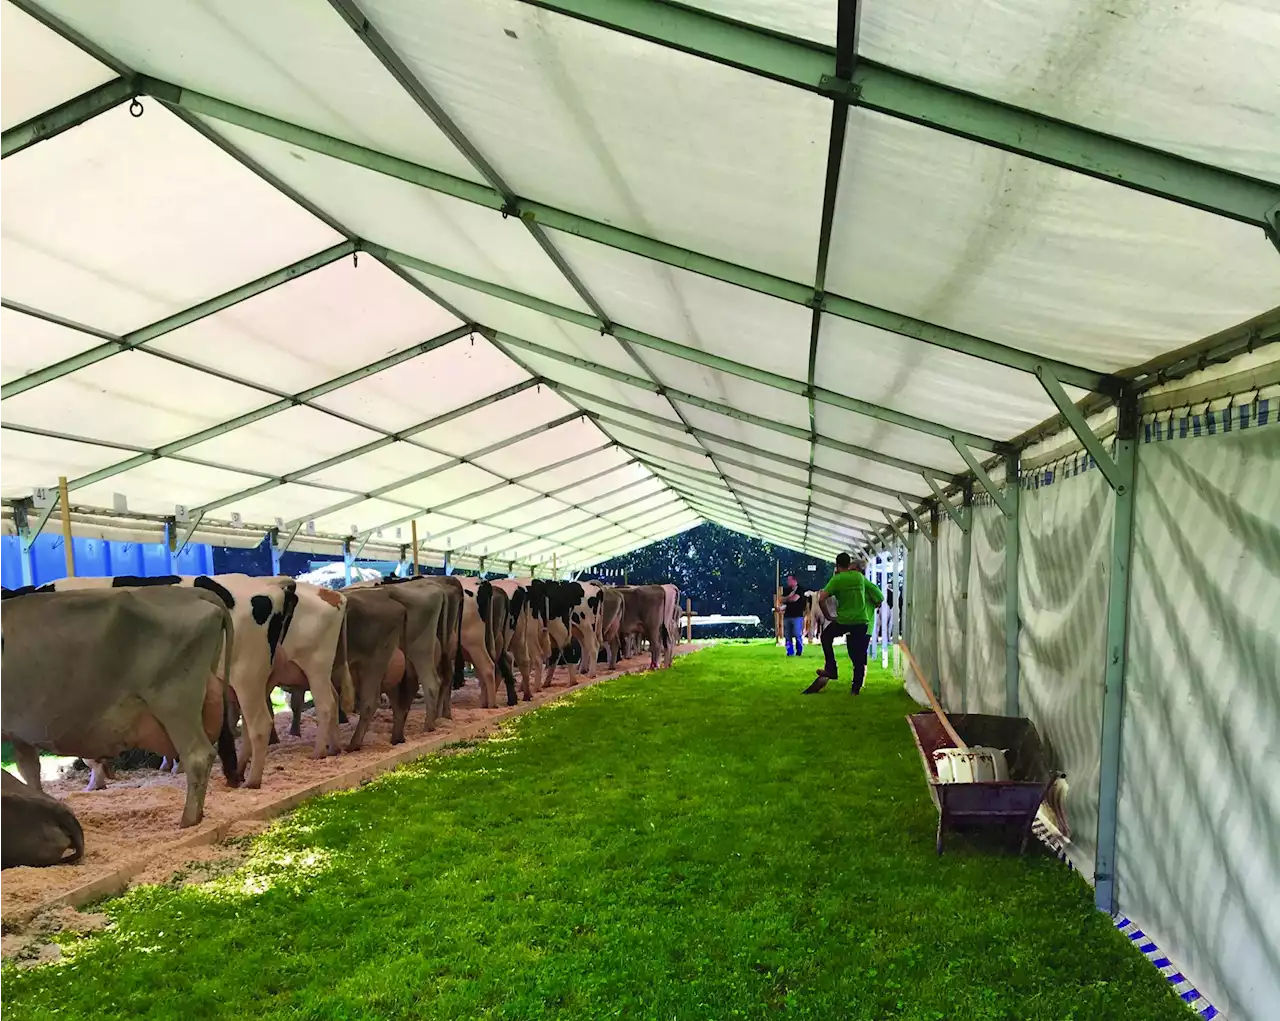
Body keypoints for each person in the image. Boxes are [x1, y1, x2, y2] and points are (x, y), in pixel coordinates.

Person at [803, 553, 883, 696]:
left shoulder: (837, 580)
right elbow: (878, 597)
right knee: (858, 656)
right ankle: (855, 689)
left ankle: (831, 668)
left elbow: (821, 599)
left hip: (845, 621)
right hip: (861, 622)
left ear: (837, 565)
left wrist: (829, 616)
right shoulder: (859, 577)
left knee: (826, 637)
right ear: (849, 564)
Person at [780, 574, 805, 656]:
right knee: (787, 636)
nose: (788, 582)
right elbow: (781, 599)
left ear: (795, 581)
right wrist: (789, 597)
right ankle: (789, 652)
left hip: (797, 615)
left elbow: (794, 599)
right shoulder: (786, 590)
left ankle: (799, 651)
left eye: (789, 580)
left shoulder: (800, 589)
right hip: (787, 615)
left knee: (798, 634)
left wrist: (787, 598)